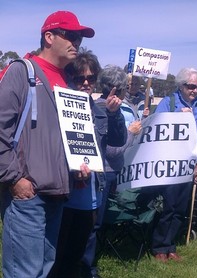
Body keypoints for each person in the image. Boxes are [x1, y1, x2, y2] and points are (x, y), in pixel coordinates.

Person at [0, 11, 95, 277]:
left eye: (79, 37)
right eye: (70, 35)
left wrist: (78, 166)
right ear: (49, 37)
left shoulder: (68, 82)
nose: (76, 41)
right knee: (24, 273)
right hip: (27, 194)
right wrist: (14, 179)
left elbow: (63, 138)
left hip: (58, 194)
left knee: (43, 270)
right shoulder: (22, 71)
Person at [48, 53, 127, 277]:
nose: (85, 83)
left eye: (91, 79)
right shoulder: (58, 107)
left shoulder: (102, 111)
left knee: (81, 253)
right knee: (57, 254)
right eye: (79, 78)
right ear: (70, 78)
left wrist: (115, 114)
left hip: (91, 194)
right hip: (64, 192)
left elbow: (118, 141)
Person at [80, 65, 143, 278]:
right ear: (117, 88)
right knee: (93, 224)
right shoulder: (105, 110)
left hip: (103, 173)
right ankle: (87, 267)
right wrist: (131, 133)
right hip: (103, 173)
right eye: (125, 86)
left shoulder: (101, 106)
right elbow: (114, 151)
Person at [150, 67, 197, 262]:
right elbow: (156, 126)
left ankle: (171, 245)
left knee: (181, 209)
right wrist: (179, 119)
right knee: (169, 206)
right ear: (181, 85)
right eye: (190, 86)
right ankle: (159, 246)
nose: (194, 90)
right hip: (170, 164)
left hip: (190, 165)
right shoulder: (169, 103)